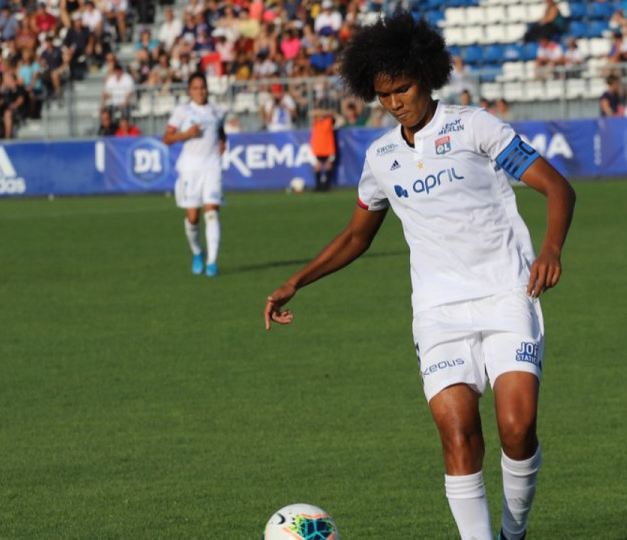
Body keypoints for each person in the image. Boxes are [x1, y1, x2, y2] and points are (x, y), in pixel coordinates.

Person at [263, 12, 575, 540]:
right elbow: (356, 237)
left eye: (402, 89)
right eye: (383, 95)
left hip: (507, 294)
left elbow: (559, 187)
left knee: (517, 430)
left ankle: (513, 532)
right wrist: (297, 280)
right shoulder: (381, 156)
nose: (394, 102)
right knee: (458, 435)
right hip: (437, 313)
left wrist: (550, 248)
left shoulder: (476, 126)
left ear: (426, 77)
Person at [162, 73, 227, 278]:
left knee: (212, 213)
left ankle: (212, 262)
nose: (200, 91)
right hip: (190, 169)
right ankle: (198, 252)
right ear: (190, 91)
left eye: (203, 87)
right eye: (196, 88)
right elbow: (166, 138)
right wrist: (187, 134)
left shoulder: (217, 111)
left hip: (212, 167)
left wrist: (223, 142)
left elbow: (221, 131)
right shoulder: (182, 111)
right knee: (192, 218)